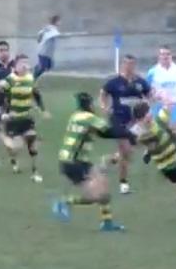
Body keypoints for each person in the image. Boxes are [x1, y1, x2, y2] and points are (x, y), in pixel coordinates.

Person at [53, 92, 136, 232]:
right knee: (96, 196)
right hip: (73, 162)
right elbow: (109, 131)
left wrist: (125, 134)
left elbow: (102, 133)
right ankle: (64, 201)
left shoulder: (77, 116)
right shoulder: (87, 117)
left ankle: (107, 223)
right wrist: (128, 134)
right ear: (89, 105)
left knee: (104, 190)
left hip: (77, 161)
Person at [99, 54, 151, 194]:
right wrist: (104, 107)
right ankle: (123, 184)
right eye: (127, 64)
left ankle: (108, 160)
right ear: (123, 65)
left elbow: (149, 94)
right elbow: (103, 93)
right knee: (126, 150)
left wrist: (148, 106)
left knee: (129, 150)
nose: (130, 67)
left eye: (132, 64)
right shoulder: (114, 82)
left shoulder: (140, 82)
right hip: (118, 120)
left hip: (135, 121)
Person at [0, 54, 48, 182]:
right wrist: (3, 111)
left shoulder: (30, 78)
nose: (25, 66)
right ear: (15, 65)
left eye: (27, 63)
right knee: (15, 147)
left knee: (32, 141)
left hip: (27, 117)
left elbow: (36, 94)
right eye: (22, 63)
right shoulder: (10, 79)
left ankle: (35, 171)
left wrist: (43, 110)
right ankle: (5, 142)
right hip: (13, 118)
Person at [146, 45, 176, 126]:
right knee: (158, 128)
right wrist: (153, 98)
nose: (165, 56)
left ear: (171, 55)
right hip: (159, 105)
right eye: (162, 54)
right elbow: (147, 89)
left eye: (168, 54)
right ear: (159, 56)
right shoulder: (152, 71)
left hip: (175, 104)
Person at [34, 15, 61, 80]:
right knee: (43, 68)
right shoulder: (52, 30)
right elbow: (53, 34)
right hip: (44, 52)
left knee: (50, 66)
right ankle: (34, 77)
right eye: (59, 21)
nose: (60, 23)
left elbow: (40, 34)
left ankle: (37, 70)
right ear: (56, 21)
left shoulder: (48, 28)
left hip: (47, 52)